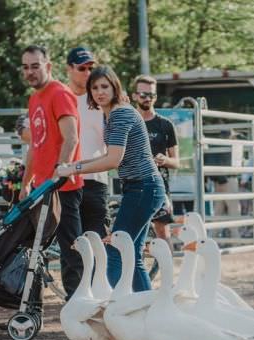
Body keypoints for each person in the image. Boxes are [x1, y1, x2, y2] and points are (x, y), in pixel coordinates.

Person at [56, 65, 165, 292]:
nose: (99, 92)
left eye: (104, 86)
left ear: (115, 87)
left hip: (143, 187)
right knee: (131, 254)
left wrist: (74, 169)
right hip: (141, 188)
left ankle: (106, 308)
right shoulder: (111, 115)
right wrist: (71, 166)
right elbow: (107, 156)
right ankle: (146, 310)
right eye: (94, 88)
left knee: (116, 250)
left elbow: (113, 160)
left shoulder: (120, 114)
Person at [20, 45, 84, 300]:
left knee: (71, 251)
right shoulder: (35, 98)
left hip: (63, 187)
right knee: (33, 249)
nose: (30, 72)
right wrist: (27, 183)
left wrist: (60, 173)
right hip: (42, 188)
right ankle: (31, 307)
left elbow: (72, 138)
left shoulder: (59, 94)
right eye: (25, 67)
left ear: (48, 66)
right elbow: (35, 146)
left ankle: (79, 307)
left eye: (35, 66)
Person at [66, 46, 110, 238]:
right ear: (69, 68)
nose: (88, 73)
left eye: (91, 68)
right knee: (71, 244)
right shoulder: (60, 96)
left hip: (96, 180)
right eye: (82, 68)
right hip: (67, 180)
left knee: (98, 242)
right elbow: (26, 127)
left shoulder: (102, 98)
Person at [132, 74, 179, 245]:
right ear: (135, 96)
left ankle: (168, 270)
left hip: (160, 185)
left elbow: (176, 162)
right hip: (134, 183)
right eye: (143, 95)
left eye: (151, 95)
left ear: (156, 97)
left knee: (162, 231)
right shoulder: (129, 122)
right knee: (134, 231)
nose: (147, 99)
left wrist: (164, 160)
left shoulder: (165, 125)